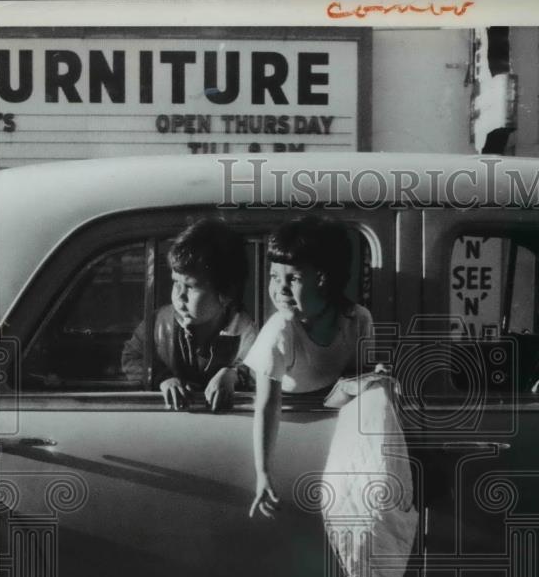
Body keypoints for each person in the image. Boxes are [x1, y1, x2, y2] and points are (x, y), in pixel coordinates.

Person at [244, 216, 373, 518]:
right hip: (284, 403)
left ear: (325, 279)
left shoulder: (357, 320)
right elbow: (267, 405)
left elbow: (354, 382)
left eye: (294, 279)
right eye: (275, 277)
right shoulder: (280, 331)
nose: (280, 289)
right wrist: (263, 472)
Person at [121, 218, 257, 411]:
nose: (179, 295)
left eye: (191, 287)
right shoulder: (159, 322)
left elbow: (259, 370)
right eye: (176, 282)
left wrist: (232, 374)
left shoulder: (244, 330)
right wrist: (162, 378)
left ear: (225, 294)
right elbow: (131, 357)